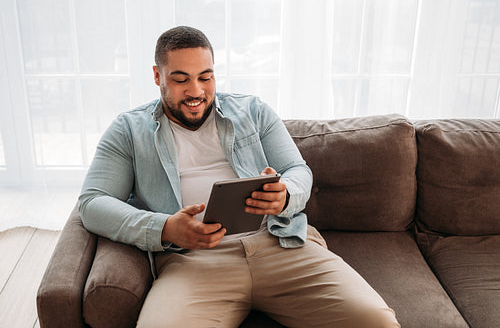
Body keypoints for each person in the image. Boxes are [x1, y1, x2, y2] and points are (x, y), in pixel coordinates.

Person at [79, 26, 400, 328]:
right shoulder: (128, 131)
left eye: (206, 77)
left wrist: (285, 194)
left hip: (281, 245)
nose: (196, 91)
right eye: (181, 80)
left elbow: (298, 170)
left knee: (377, 321)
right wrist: (164, 228)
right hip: (192, 263)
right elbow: (92, 203)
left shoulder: (254, 111)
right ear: (157, 75)